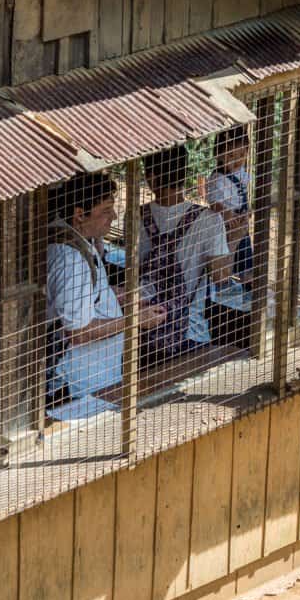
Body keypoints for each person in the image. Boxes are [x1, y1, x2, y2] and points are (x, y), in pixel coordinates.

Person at [46, 171, 165, 417]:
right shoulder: (71, 259)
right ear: (80, 214)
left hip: (96, 377)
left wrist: (124, 295)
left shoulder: (79, 239)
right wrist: (135, 320)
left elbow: (84, 295)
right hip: (81, 384)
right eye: (105, 210)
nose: (113, 216)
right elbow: (78, 331)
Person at [139, 145, 233, 365]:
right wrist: (235, 237)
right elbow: (222, 276)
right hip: (190, 333)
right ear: (185, 174)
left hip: (142, 332)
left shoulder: (134, 215)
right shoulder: (209, 219)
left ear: (151, 176)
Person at [206, 126, 253, 282]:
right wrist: (226, 213)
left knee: (245, 254)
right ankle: (224, 283)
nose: (237, 160)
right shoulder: (217, 179)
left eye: (241, 154)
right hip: (226, 226)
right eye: (231, 155)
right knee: (227, 256)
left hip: (240, 220)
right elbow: (214, 203)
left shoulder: (239, 172)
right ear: (219, 155)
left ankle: (247, 281)